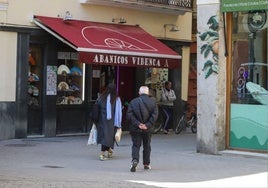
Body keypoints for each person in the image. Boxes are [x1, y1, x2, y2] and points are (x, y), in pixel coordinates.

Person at [126, 86, 158, 172]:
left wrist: (138, 124)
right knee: (147, 145)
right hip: (148, 129)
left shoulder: (133, 102)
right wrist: (147, 125)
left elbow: (129, 115)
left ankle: (135, 161)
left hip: (136, 128)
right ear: (148, 93)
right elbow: (155, 115)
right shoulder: (153, 102)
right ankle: (146, 164)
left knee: (136, 145)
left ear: (139, 93)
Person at [95, 83, 122, 161]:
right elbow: (118, 112)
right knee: (108, 137)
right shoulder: (116, 99)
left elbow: (97, 105)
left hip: (101, 120)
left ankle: (109, 151)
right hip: (112, 121)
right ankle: (102, 154)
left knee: (105, 136)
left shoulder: (102, 97)